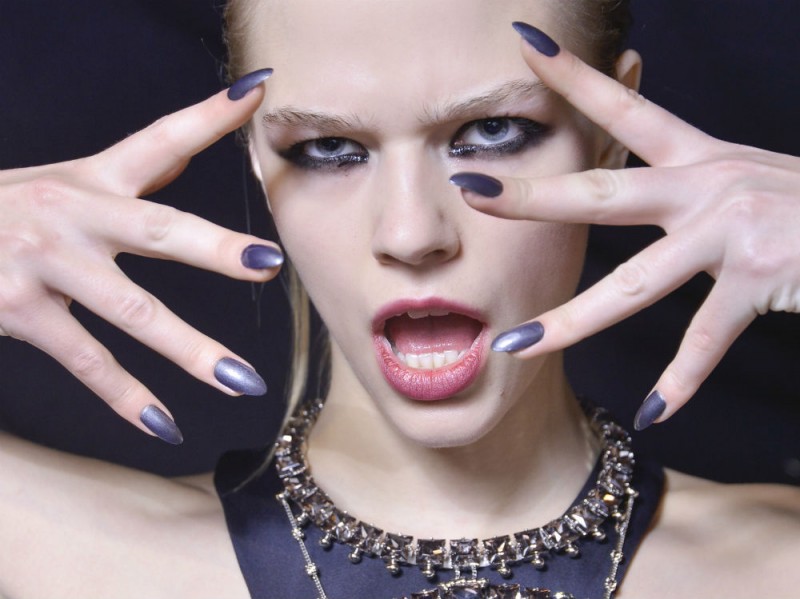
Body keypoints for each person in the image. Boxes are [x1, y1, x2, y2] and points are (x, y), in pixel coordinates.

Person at [1, 0, 799, 597]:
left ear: (610, 133)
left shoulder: (775, 563)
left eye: (492, 131)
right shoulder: (61, 555)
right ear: (256, 158)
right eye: (328, 147)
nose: (412, 233)